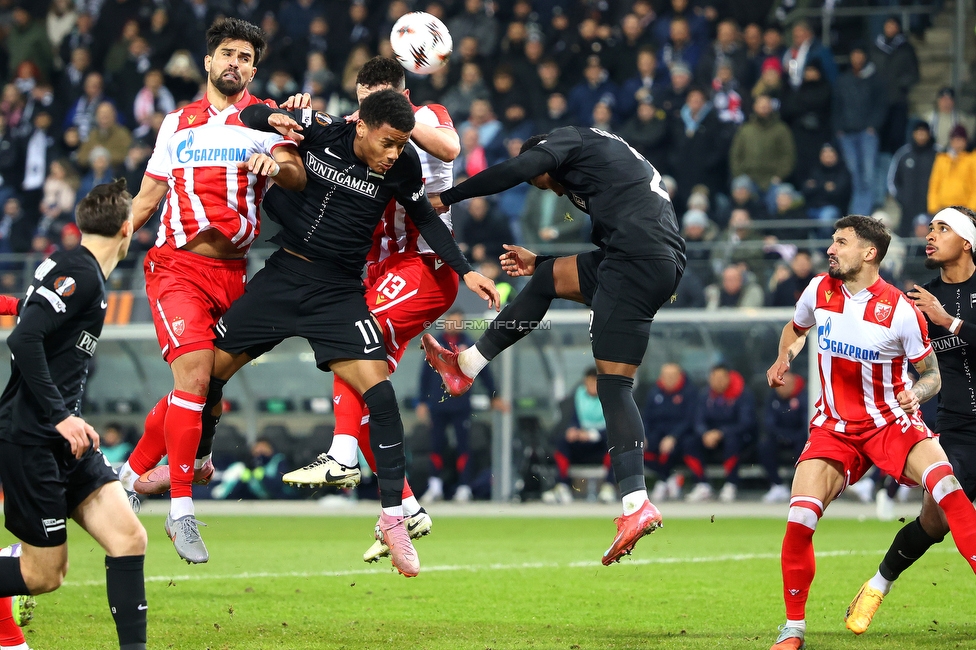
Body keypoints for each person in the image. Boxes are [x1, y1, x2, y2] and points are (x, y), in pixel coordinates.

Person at [208, 88, 499, 578]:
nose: (395, 154)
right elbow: (249, 112)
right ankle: (187, 464)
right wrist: (275, 117)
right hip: (283, 276)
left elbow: (426, 217)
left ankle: (393, 517)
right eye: (388, 142)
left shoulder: (403, 165)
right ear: (361, 124)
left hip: (338, 292)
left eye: (402, 144)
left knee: (381, 397)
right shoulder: (321, 128)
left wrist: (465, 270)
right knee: (204, 374)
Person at [422, 123, 687, 565]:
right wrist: (542, 259)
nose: (547, 189)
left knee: (614, 385)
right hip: (644, 255)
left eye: (540, 179)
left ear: (545, 156)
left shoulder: (566, 142)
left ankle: (636, 504)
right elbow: (617, 224)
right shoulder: (601, 155)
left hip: (636, 260)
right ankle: (466, 366)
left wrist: (447, 198)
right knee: (546, 278)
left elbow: (521, 165)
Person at [113, 17, 304, 565]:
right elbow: (148, 200)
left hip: (233, 275)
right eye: (227, 53)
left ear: (254, 69)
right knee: (195, 376)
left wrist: (279, 162)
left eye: (245, 57)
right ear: (208, 61)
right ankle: (181, 511)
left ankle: (128, 478)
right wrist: (100, 253)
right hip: (177, 267)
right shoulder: (176, 124)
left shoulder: (265, 120)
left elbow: (295, 172)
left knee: (197, 389)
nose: (235, 64)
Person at [274, 56, 466, 563]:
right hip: (384, 275)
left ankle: (340, 456)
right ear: (357, 97)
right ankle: (405, 508)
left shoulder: (429, 116)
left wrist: (402, 119)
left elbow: (450, 148)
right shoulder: (352, 135)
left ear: (404, 93)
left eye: (389, 93)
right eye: (368, 94)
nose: (377, 102)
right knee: (364, 383)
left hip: (424, 263)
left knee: (351, 339)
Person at [764, 215, 976, 650]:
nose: (830, 249)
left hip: (891, 423)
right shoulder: (819, 289)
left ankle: (880, 583)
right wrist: (785, 353)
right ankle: (793, 629)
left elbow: (930, 374)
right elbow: (796, 327)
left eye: (840, 242)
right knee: (800, 518)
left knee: (948, 489)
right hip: (834, 428)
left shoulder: (899, 308)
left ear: (869, 253)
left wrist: (916, 394)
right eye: (832, 242)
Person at [0, 179, 151, 650]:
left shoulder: (73, 265)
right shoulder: (80, 273)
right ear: (127, 230)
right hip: (33, 437)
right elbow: (23, 338)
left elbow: (31, 315)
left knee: (129, 538)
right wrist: (62, 414)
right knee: (43, 576)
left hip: (68, 440)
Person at [844, 206, 976, 634]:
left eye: (943, 228)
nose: (930, 235)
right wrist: (906, 393)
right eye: (931, 228)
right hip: (959, 431)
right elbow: (906, 359)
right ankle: (877, 585)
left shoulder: (939, 307)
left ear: (967, 242)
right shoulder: (917, 300)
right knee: (934, 521)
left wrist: (949, 321)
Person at [417, 310, 504, 505]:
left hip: (460, 404)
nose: (454, 325)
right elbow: (425, 375)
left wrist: (494, 396)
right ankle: (434, 485)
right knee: (436, 445)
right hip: (438, 404)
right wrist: (422, 401)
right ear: (445, 323)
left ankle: (464, 487)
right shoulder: (434, 344)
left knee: (464, 446)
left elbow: (483, 371)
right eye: (451, 322)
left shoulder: (469, 345)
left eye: (458, 322)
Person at [683, 364, 756, 503]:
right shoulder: (705, 395)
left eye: (721, 378)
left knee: (732, 442)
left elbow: (746, 423)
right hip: (710, 438)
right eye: (714, 378)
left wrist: (721, 432)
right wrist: (705, 433)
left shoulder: (742, 394)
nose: (718, 381)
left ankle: (731, 484)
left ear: (729, 377)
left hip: (736, 436)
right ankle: (701, 484)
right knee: (689, 443)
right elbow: (698, 419)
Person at [542, 367, 615, 505]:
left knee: (614, 443)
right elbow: (572, 420)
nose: (592, 386)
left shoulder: (610, 399)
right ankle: (562, 485)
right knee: (562, 442)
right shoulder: (578, 396)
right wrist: (572, 431)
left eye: (595, 382)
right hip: (581, 445)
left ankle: (608, 486)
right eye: (589, 382)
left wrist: (592, 434)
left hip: (601, 444)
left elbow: (614, 425)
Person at [644, 362, 697, 502]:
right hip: (656, 435)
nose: (669, 379)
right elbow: (646, 418)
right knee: (639, 450)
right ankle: (669, 479)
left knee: (672, 448)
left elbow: (689, 419)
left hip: (679, 437)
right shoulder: (654, 393)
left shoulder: (689, 392)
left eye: (673, 376)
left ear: (680, 376)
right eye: (666, 376)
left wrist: (673, 436)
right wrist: (643, 435)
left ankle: (662, 481)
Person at [758, 371, 807, 503]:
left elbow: (807, 423)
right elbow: (768, 422)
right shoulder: (772, 398)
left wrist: (794, 436)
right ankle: (777, 485)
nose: (782, 388)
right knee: (765, 445)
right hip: (779, 437)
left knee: (805, 446)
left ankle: (800, 486)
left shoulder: (804, 397)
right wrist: (782, 436)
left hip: (799, 437)